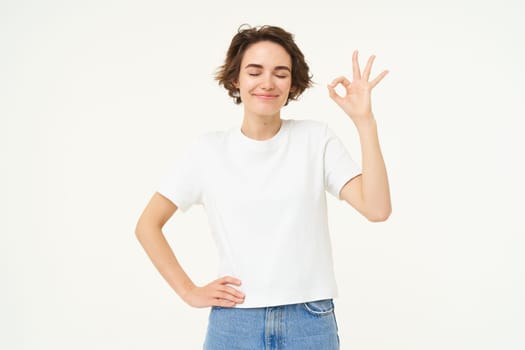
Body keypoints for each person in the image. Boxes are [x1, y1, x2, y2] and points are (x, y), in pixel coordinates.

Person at [135, 24, 391, 350]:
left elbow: (377, 208)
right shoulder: (207, 151)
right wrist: (188, 290)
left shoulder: (316, 139)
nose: (267, 83)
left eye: (281, 73)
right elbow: (147, 225)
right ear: (235, 79)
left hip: (309, 319)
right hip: (235, 321)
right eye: (254, 71)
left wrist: (364, 121)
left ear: (293, 83)